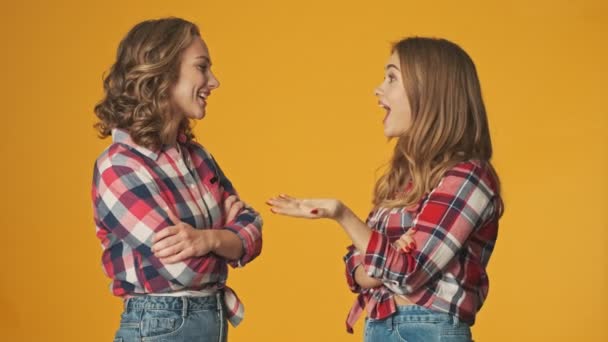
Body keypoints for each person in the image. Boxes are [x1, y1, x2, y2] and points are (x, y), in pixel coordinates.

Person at [267, 37, 503, 342]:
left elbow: (408, 273)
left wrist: (342, 215)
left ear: (429, 92)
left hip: (426, 330)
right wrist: (382, 260)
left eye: (391, 77)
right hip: (383, 325)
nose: (378, 89)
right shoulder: (405, 179)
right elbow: (357, 264)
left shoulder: (468, 177)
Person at [92, 17, 263, 342]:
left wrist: (207, 239)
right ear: (163, 71)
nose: (214, 82)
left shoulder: (198, 158)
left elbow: (253, 229)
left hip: (211, 318)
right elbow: (181, 269)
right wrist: (228, 237)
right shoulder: (119, 167)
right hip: (160, 325)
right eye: (202, 67)